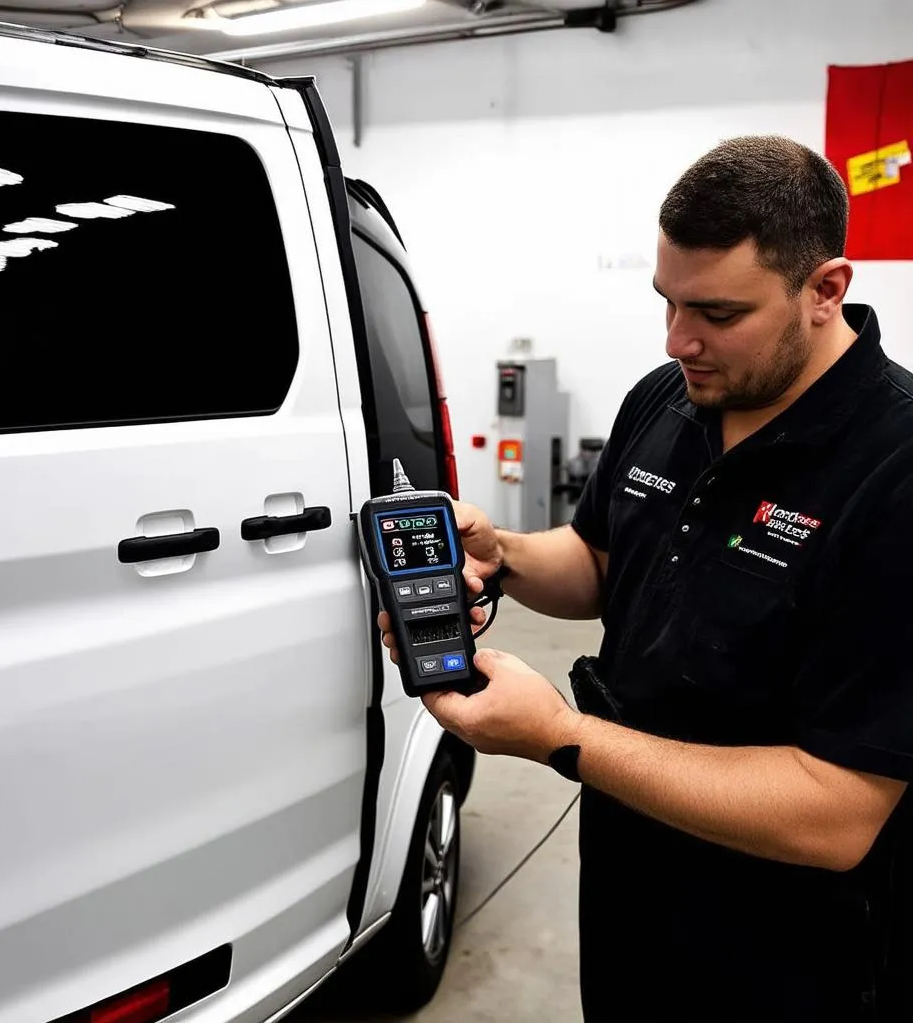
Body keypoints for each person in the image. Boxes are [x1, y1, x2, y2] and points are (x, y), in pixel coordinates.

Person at [379, 136, 913, 1022]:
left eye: (715, 312)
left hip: (791, 949)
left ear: (825, 291)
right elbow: (597, 562)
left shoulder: (894, 473)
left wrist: (561, 736)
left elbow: (836, 812)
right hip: (631, 883)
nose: (679, 340)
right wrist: (503, 552)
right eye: (665, 303)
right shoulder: (668, 399)